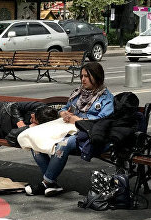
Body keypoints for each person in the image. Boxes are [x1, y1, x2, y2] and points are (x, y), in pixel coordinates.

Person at [25, 61, 115, 197]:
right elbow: (64, 108)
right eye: (82, 76)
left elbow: (103, 120)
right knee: (34, 139)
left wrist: (78, 120)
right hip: (66, 128)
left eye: (87, 76)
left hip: (87, 133)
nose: (83, 79)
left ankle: (46, 183)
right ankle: (51, 183)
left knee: (63, 144)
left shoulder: (106, 98)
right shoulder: (78, 93)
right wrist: (63, 114)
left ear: (97, 77)